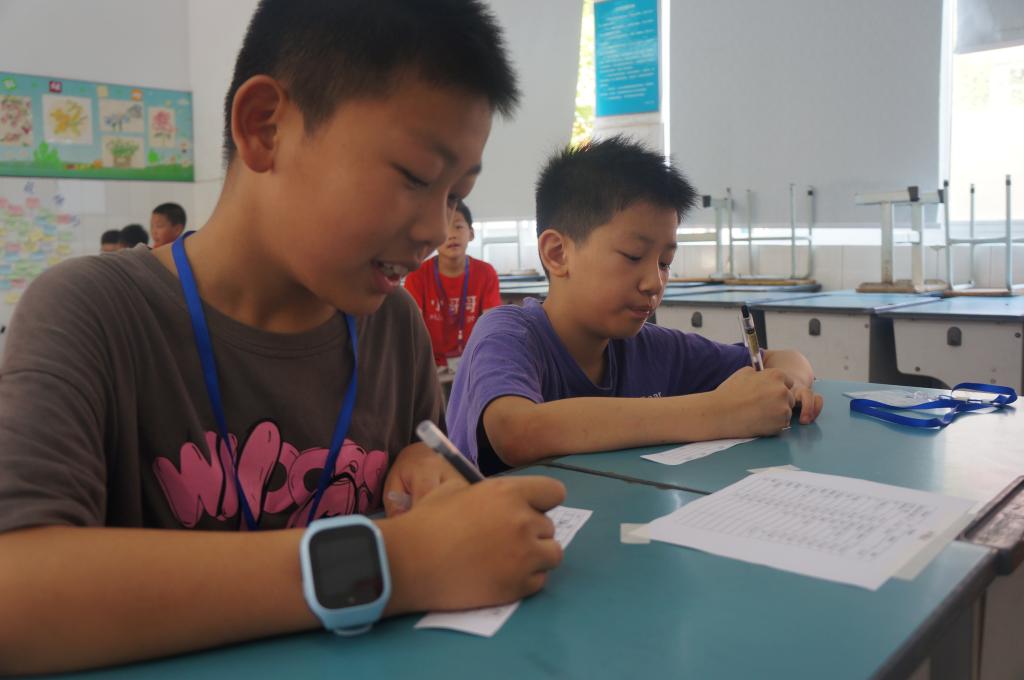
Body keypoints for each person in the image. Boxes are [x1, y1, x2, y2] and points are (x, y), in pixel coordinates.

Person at [0, 1, 564, 673]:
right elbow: (17, 592)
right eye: (415, 177)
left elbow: (419, 472)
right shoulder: (92, 313)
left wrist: (425, 473)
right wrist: (398, 562)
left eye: (454, 195)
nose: (433, 230)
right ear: (265, 127)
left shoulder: (393, 327)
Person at [446, 136, 825, 475]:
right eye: (632, 256)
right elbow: (517, 431)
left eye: (665, 262)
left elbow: (786, 359)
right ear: (557, 253)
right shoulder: (508, 334)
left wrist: (787, 386)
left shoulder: (652, 348)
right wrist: (718, 412)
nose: (654, 283)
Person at [403, 200, 501, 369]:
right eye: (444, 227)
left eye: (458, 226)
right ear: (433, 237)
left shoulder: (486, 273)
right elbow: (411, 331)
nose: (452, 234)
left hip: (474, 363)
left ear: (471, 233)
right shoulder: (417, 276)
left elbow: (492, 327)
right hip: (429, 365)